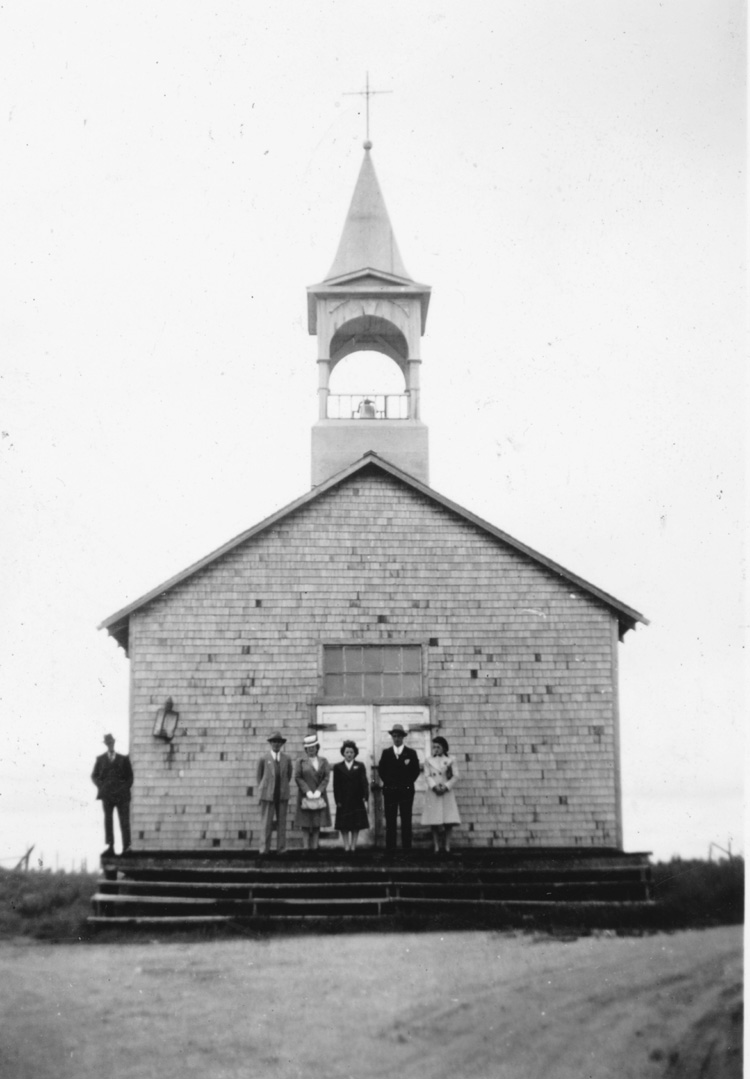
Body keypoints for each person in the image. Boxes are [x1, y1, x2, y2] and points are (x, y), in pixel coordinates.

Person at [376, 723, 421, 850]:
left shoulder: (411, 753)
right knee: (390, 821)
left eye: (399, 736)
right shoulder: (386, 753)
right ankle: (391, 850)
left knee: (406, 820)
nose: (396, 739)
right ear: (392, 737)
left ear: (403, 737)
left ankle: (407, 849)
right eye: (394, 736)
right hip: (390, 792)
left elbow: (415, 771)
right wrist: (390, 783)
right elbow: (381, 771)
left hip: (406, 792)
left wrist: (406, 783)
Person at [91, 734, 134, 855]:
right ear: (106, 744)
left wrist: (124, 789)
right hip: (107, 796)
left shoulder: (123, 759)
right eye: (108, 743)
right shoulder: (100, 760)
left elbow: (130, 777)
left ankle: (126, 847)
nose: (110, 744)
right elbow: (94, 775)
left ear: (114, 743)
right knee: (108, 821)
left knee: (124, 821)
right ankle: (110, 847)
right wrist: (101, 786)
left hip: (122, 797)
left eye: (111, 742)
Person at [421, 735, 461, 853]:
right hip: (434, 792)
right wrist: (434, 786)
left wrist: (446, 786)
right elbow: (427, 776)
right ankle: (436, 846)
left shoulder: (451, 760)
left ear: (444, 748)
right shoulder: (428, 760)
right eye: (434, 747)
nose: (436, 749)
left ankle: (447, 845)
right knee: (434, 820)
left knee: (448, 820)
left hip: (446, 792)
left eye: (438, 747)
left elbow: (456, 776)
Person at [256, 731, 293, 854]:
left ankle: (281, 849)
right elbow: (259, 777)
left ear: (281, 744)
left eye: (278, 742)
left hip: (282, 795)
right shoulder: (264, 759)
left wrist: (282, 787)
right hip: (268, 795)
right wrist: (265, 789)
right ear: (270, 743)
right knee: (266, 823)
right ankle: (264, 849)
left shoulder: (286, 759)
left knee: (282, 823)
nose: (276, 744)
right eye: (273, 742)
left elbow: (289, 775)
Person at [294, 734, 332, 850]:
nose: (311, 750)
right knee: (305, 823)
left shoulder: (323, 761)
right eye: (309, 748)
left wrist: (319, 791)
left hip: (319, 796)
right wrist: (307, 791)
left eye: (313, 747)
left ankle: (314, 848)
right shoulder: (300, 761)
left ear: (317, 748)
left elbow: (326, 777)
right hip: (305, 796)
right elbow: (298, 777)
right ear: (306, 749)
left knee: (317, 822)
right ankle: (306, 848)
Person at [332, 740, 370, 851]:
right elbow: (336, 785)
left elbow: (364, 782)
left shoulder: (360, 765)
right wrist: (337, 800)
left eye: (351, 752)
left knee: (355, 824)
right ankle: (346, 846)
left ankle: (353, 846)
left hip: (356, 799)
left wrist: (365, 796)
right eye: (347, 752)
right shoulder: (338, 767)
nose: (349, 754)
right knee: (344, 825)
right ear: (343, 753)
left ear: (355, 754)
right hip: (343, 800)